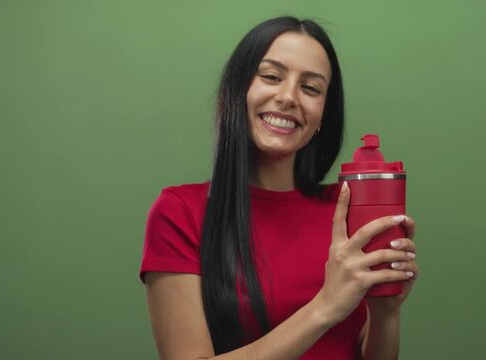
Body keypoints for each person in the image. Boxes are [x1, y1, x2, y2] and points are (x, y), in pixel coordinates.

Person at [139, 16, 419, 359]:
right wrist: (326, 307)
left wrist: (386, 312)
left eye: (311, 88)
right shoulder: (180, 211)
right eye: (271, 76)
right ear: (237, 90)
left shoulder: (343, 211)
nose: (288, 97)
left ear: (322, 115)